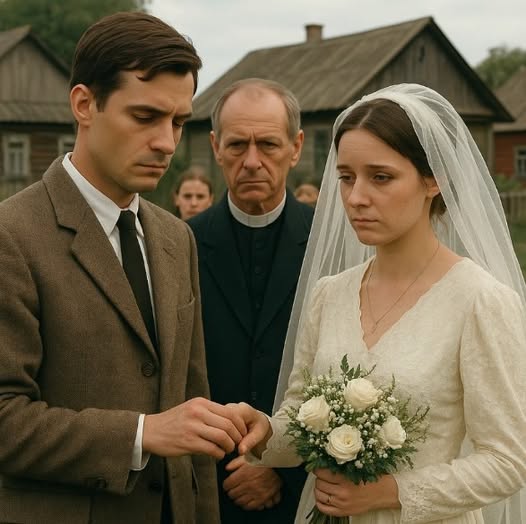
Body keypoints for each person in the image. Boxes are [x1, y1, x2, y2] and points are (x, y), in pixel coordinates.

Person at [234, 83, 526, 524]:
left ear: (434, 180)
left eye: (381, 177)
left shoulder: (479, 300)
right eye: (346, 177)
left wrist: (391, 492)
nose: (356, 198)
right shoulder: (329, 294)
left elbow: (508, 460)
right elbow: (301, 421)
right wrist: (263, 432)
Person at [0, 12, 246, 524]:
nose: (167, 142)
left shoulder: (176, 237)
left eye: (178, 122)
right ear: (84, 104)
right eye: (145, 117)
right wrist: (140, 434)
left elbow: (192, 402)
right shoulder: (12, 235)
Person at [187, 78, 312, 523]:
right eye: (238, 145)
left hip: (303, 495)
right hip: (204, 491)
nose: (252, 161)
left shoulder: (328, 243)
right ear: (216, 147)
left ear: (296, 147)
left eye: (269, 145)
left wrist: (282, 466)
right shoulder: (180, 243)